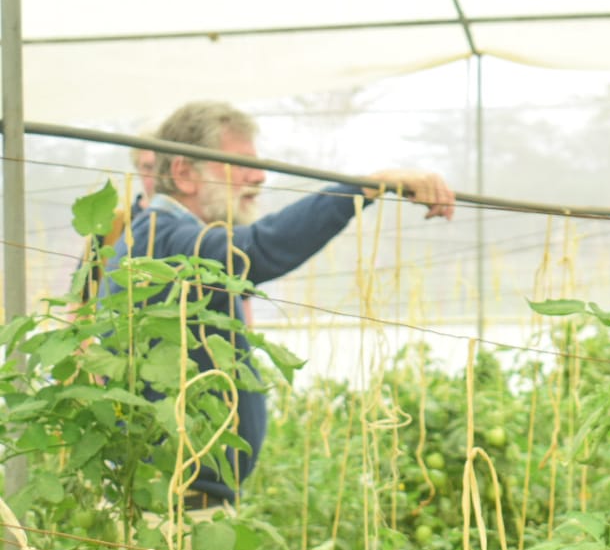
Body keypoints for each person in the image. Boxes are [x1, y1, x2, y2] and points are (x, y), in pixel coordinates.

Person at [102, 100, 455, 508]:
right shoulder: (163, 240)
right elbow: (261, 248)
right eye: (240, 164)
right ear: (183, 173)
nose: (260, 176)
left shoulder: (172, 235)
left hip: (188, 501)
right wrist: (365, 187)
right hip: (171, 511)